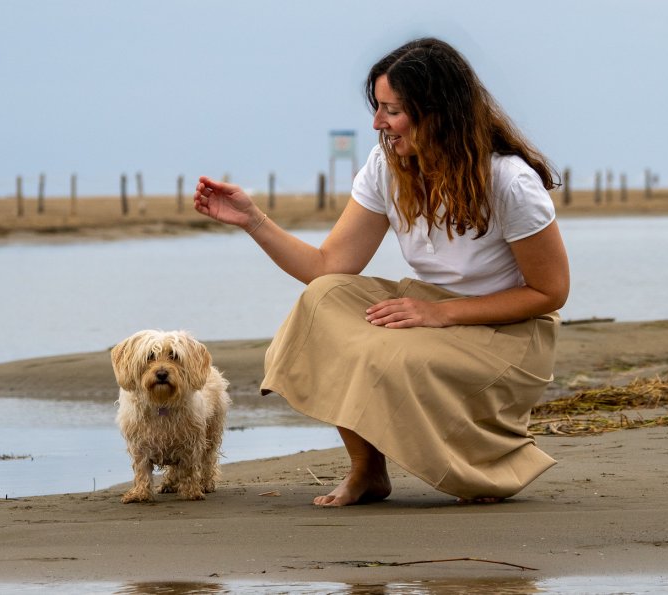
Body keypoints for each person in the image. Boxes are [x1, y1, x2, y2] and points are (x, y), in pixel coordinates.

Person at [193, 37, 569, 507]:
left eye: (391, 110)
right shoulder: (385, 166)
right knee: (325, 299)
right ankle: (367, 471)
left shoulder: (509, 180)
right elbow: (327, 267)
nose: (377, 123)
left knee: (387, 355)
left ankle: (479, 470)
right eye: (377, 107)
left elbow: (549, 292)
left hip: (509, 330)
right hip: (428, 308)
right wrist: (253, 219)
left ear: (438, 110)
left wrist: (442, 314)